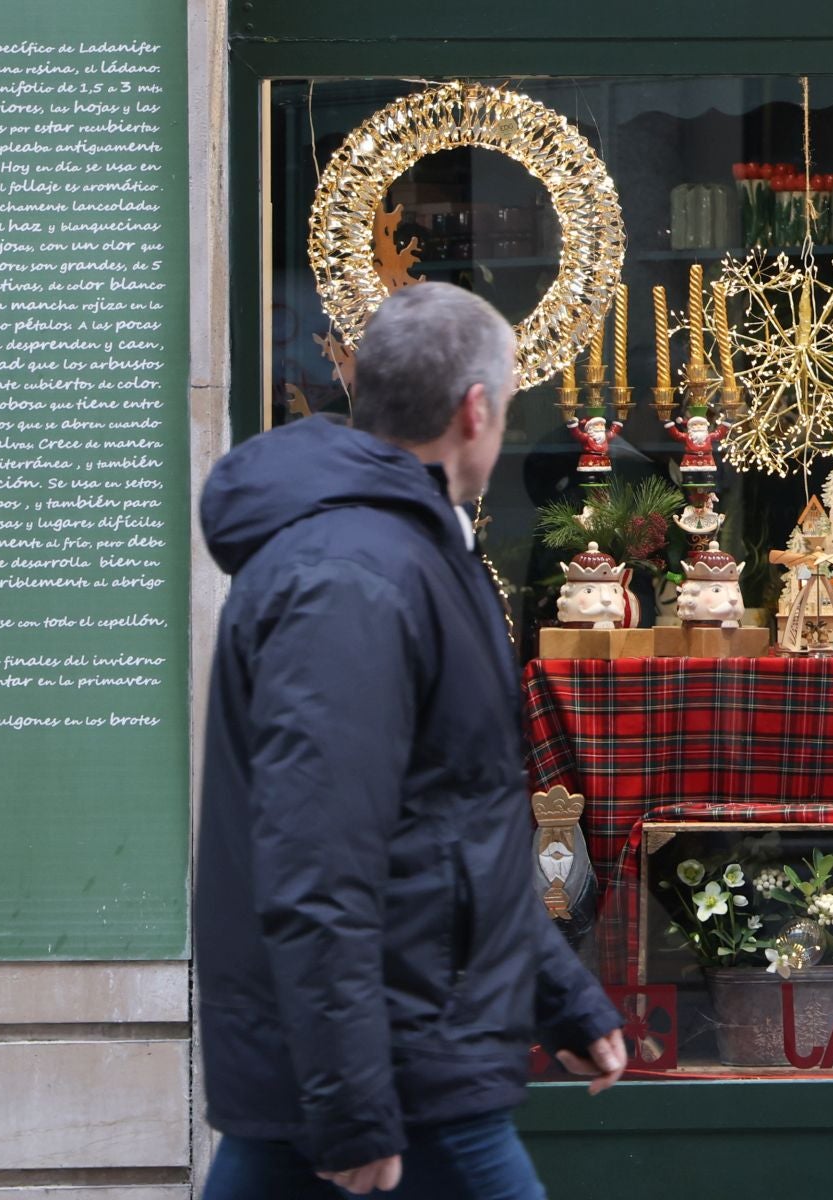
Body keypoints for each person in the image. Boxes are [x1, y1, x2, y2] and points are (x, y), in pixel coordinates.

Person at [196, 284, 625, 1198]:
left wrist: (560, 997)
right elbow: (319, 853)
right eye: (507, 403)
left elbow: (449, 821)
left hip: (393, 1045)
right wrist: (351, 1102)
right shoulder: (359, 574)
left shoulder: (397, 552)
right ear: (475, 410)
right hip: (396, 1061)